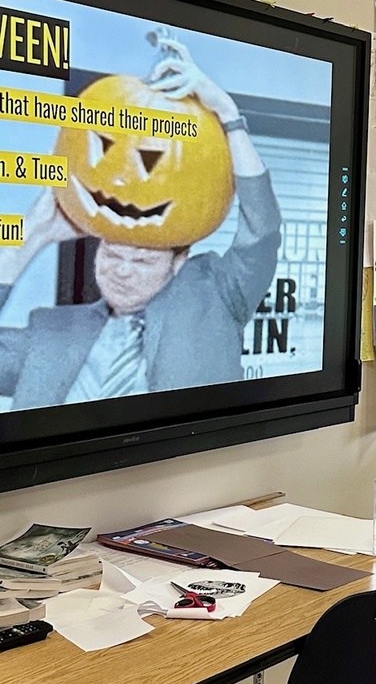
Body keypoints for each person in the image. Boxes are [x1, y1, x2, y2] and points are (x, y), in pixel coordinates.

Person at [0, 39, 281, 410]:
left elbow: (261, 232)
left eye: (143, 261)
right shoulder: (49, 332)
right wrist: (25, 242)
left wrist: (228, 116)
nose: (122, 271)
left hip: (189, 465)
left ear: (178, 262)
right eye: (112, 254)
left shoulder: (217, 299)